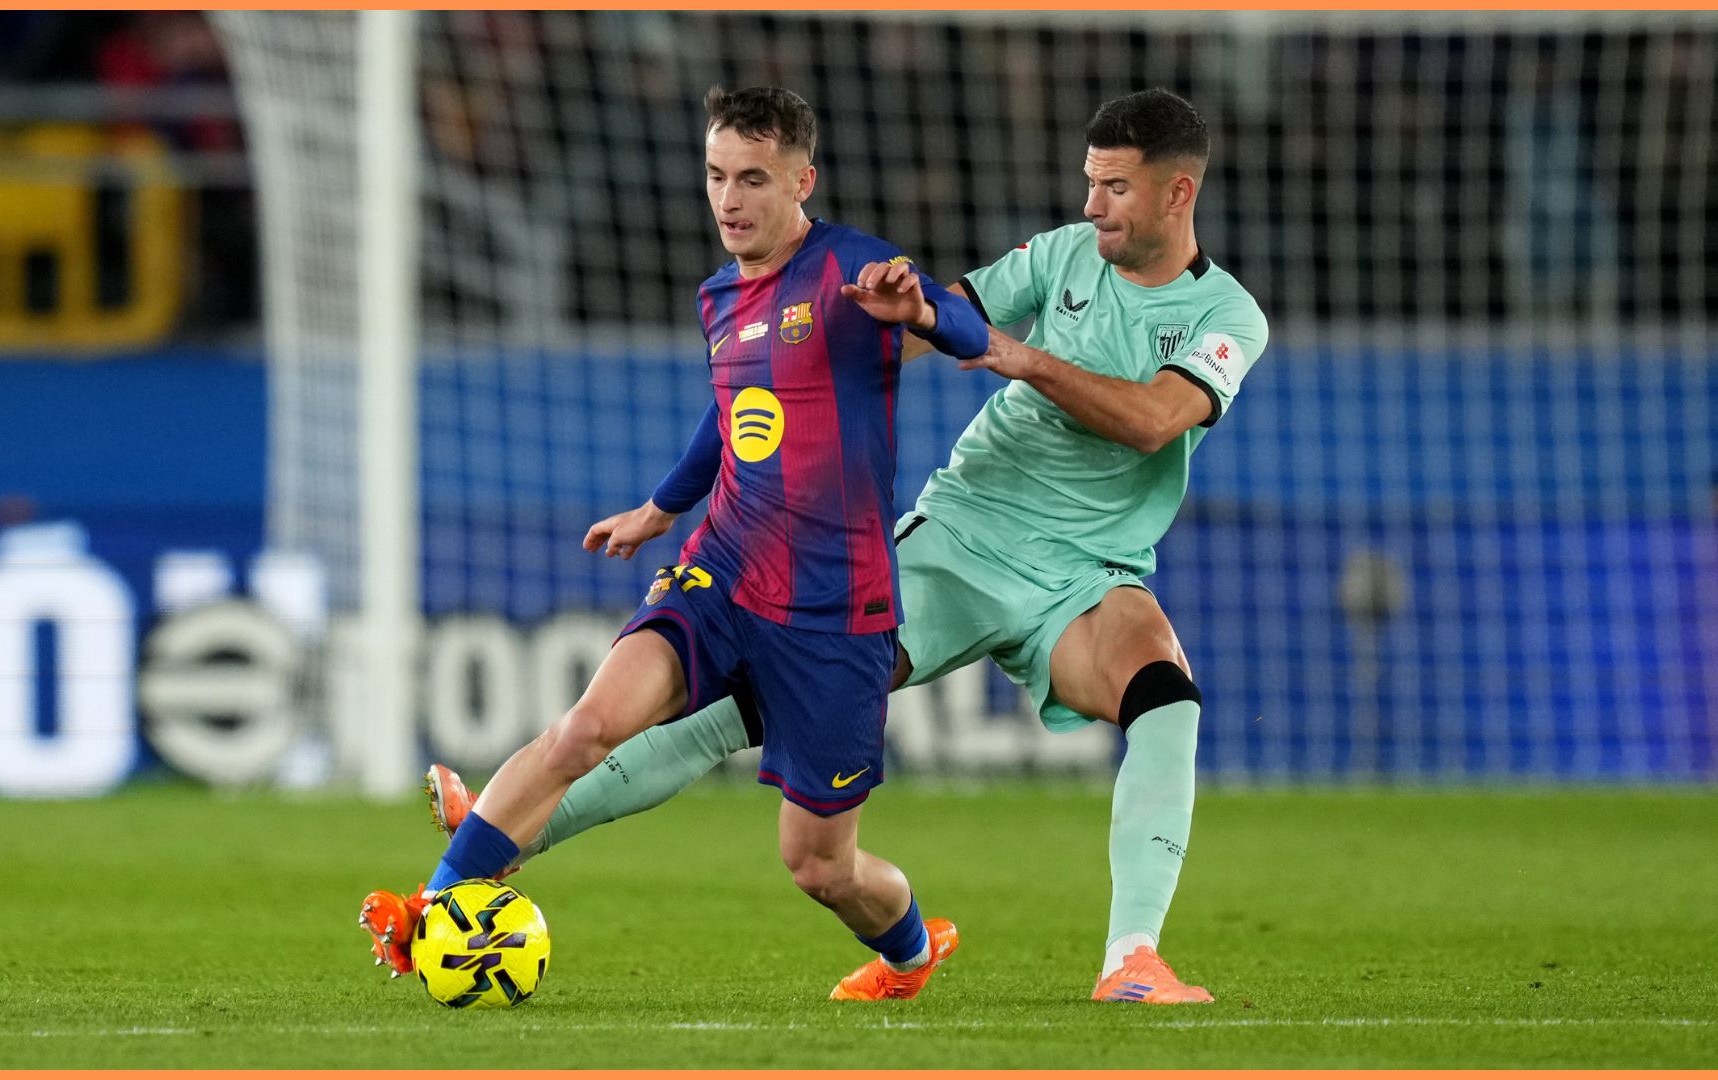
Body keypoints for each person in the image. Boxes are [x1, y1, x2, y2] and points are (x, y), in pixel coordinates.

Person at [425, 88, 1271, 1005]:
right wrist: (855, 332)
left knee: (1167, 700)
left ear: (1178, 194)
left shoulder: (1228, 317)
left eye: (1115, 190)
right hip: (961, 539)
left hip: (1089, 577)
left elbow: (1152, 422)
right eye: (1089, 183)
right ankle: (510, 834)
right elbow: (939, 319)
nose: (1092, 207)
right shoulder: (1064, 256)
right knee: (738, 704)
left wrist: (1021, 357)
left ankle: (1131, 961)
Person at [360, 86, 992, 1002]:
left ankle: (908, 952)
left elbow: (974, 336)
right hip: (724, 569)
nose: (729, 200)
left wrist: (924, 314)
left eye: (752, 180)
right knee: (588, 727)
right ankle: (435, 907)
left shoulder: (853, 270)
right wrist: (662, 509)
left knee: (821, 868)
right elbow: (733, 412)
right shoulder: (718, 298)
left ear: (802, 182)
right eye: (715, 176)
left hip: (835, 611)